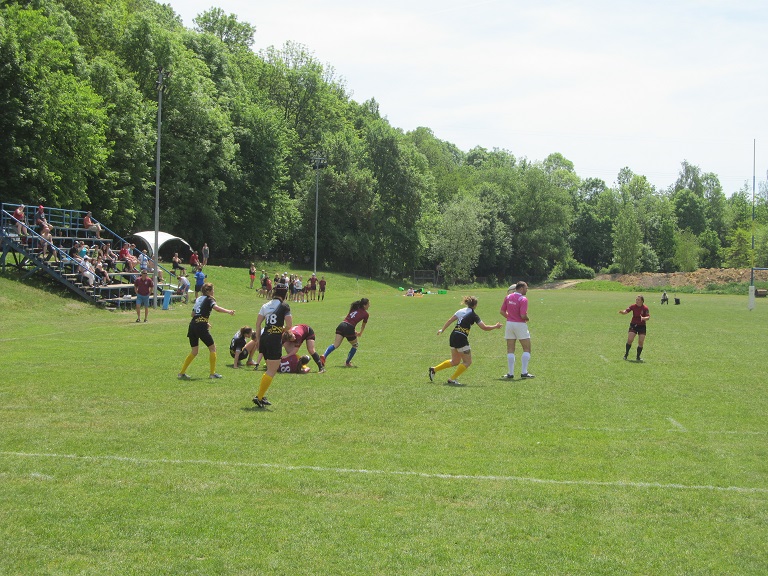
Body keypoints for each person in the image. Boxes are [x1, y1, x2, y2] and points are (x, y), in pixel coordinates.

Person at [429, 296, 502, 385]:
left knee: (455, 361)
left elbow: (450, 320)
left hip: (453, 336)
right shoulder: (473, 315)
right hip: (461, 338)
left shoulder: (460, 311)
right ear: (475, 305)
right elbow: (484, 327)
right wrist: (495, 326)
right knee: (467, 362)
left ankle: (434, 369)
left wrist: (442, 330)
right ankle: (452, 379)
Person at [178, 282, 235, 380]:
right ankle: (212, 374)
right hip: (201, 327)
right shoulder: (209, 299)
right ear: (208, 291)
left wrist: (205, 321)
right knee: (212, 348)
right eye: (213, 290)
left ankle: (181, 373)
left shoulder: (199, 299)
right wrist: (228, 311)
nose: (214, 292)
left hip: (192, 325)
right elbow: (216, 308)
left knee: (194, 351)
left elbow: (193, 314)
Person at [252, 284, 292, 408]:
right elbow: (289, 325)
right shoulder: (284, 306)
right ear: (285, 294)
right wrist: (281, 330)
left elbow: (258, 324)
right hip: (274, 339)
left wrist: (258, 340)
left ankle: (261, 395)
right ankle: (259, 397)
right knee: (272, 370)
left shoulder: (265, 305)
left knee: (270, 368)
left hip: (264, 337)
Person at [500, 281, 535, 379]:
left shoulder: (508, 297)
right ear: (521, 288)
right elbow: (523, 315)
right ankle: (524, 372)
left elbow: (502, 311)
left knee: (510, 349)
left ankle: (510, 373)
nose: (527, 290)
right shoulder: (523, 299)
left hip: (509, 324)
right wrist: (527, 318)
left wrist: (510, 317)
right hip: (520, 325)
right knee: (527, 348)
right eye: (526, 288)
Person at [321, 298, 370, 368]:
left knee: (335, 345)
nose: (369, 305)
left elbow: (350, 319)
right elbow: (363, 325)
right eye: (368, 304)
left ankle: (324, 356)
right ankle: (347, 363)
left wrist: (353, 330)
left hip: (342, 325)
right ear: (364, 305)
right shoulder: (366, 314)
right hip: (349, 328)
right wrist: (360, 333)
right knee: (355, 345)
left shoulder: (354, 308)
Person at [620, 295, 650, 362]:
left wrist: (643, 318)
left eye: (638, 300)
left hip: (642, 326)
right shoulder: (633, 306)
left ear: (642, 301)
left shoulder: (645, 308)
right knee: (630, 339)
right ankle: (626, 354)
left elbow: (648, 317)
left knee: (641, 342)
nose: (637, 301)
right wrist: (623, 312)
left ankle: (638, 357)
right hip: (634, 325)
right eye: (636, 299)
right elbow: (626, 311)